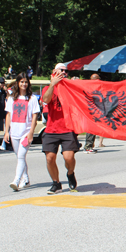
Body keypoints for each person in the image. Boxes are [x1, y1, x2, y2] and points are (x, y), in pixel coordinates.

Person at [42, 63, 80, 194]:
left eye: (66, 71)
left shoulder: (71, 88)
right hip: (52, 129)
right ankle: (56, 183)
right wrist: (53, 84)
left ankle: (70, 173)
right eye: (61, 70)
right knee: (50, 158)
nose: (64, 73)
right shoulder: (48, 87)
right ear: (54, 72)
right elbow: (46, 100)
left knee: (69, 157)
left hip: (68, 128)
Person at [4, 73, 40, 190]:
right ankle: (26, 178)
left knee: (21, 156)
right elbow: (8, 115)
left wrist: (31, 133)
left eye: (26, 82)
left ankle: (16, 180)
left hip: (26, 132)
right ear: (17, 83)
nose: (24, 84)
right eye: (21, 82)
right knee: (19, 156)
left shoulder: (32, 98)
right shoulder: (11, 98)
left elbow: (35, 116)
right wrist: (6, 132)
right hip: (14, 132)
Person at [83, 73, 102, 154]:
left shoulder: (97, 87)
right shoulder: (89, 87)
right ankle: (88, 146)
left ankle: (89, 145)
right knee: (91, 129)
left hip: (95, 111)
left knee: (92, 130)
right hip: (90, 111)